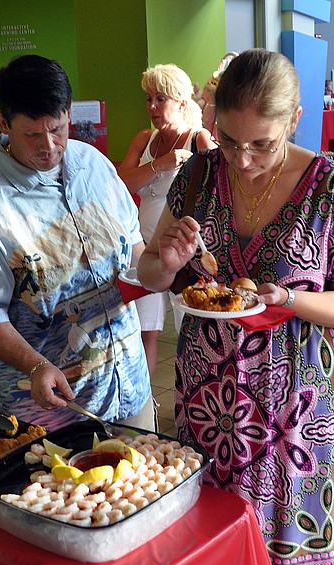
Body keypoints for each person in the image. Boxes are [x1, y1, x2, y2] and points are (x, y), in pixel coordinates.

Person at [137, 49, 334, 565]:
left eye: (262, 144)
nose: (242, 160)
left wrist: (288, 298)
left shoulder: (329, 188)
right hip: (210, 396)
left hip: (299, 401)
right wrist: (168, 260)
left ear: (294, 119)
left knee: (282, 544)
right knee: (214, 540)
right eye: (229, 140)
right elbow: (152, 274)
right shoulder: (198, 172)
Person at [0, 54, 153, 432]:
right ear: (3, 122)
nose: (50, 145)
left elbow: (133, 253)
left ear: (69, 112)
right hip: (49, 415)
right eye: (33, 135)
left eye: (58, 128)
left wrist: (165, 262)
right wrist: (36, 364)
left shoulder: (95, 166)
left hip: (129, 390)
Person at [117, 64, 214, 377]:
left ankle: (200, 390)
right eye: (148, 99)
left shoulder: (197, 138)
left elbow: (217, 189)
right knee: (145, 330)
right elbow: (120, 186)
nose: (152, 107)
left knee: (192, 326)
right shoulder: (145, 138)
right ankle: (148, 406)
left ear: (181, 103)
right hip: (144, 247)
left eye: (160, 99)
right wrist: (162, 164)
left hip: (184, 250)